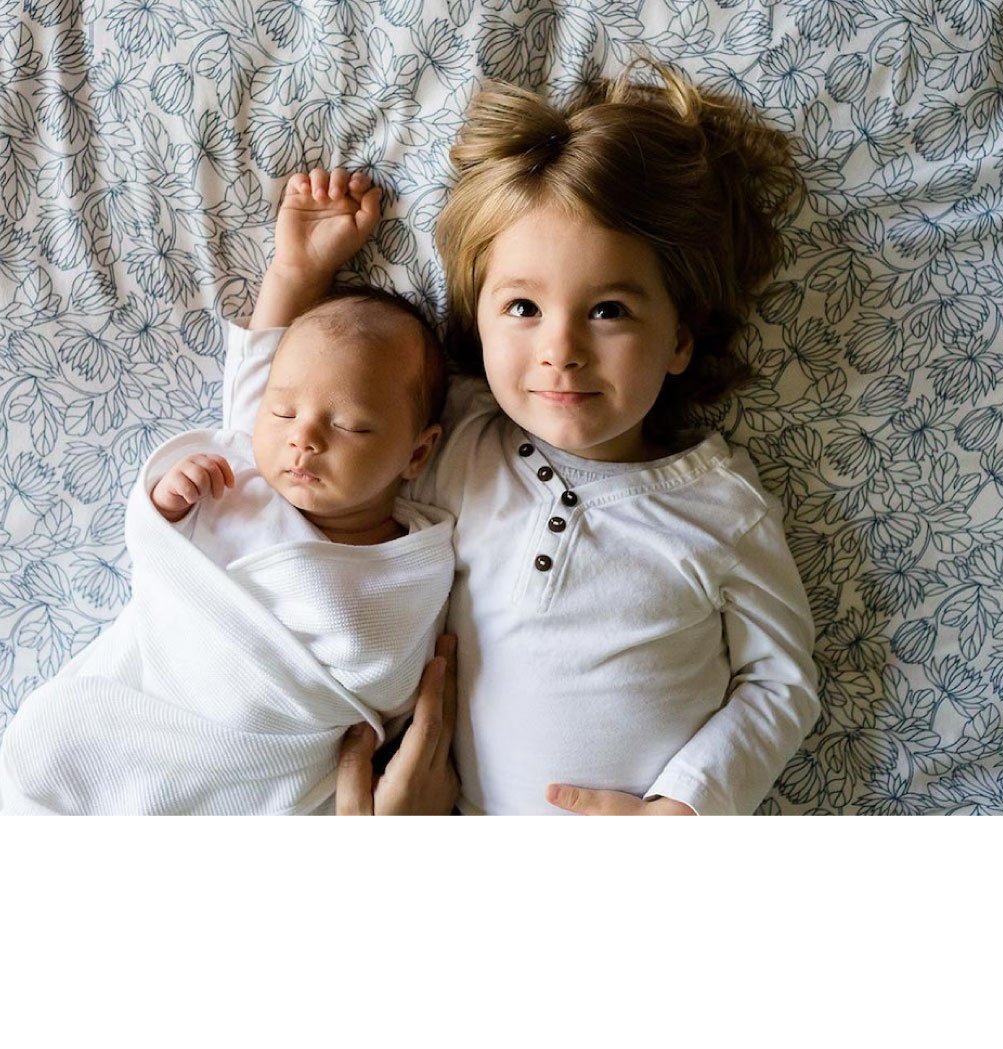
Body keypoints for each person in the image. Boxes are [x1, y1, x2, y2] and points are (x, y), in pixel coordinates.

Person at [256, 60, 822, 815]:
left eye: (610, 310)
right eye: (522, 308)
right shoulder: (449, 443)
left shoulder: (719, 507)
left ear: (680, 340)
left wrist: (685, 808)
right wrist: (296, 275)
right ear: (476, 323)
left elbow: (782, 681)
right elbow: (285, 417)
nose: (562, 350)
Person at [0, 179, 456, 816]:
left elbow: (388, 681)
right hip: (146, 709)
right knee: (56, 750)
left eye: (349, 425)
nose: (304, 440)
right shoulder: (244, 470)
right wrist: (299, 265)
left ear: (417, 454)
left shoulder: (415, 561)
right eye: (285, 413)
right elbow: (265, 364)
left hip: (260, 762)